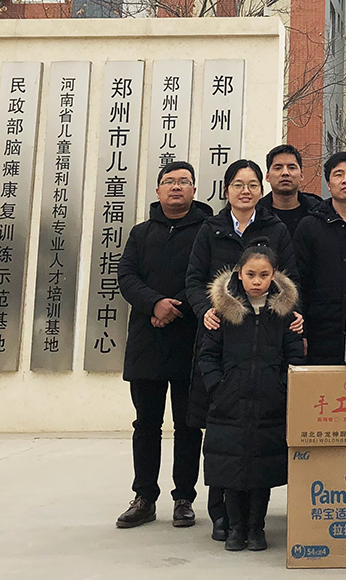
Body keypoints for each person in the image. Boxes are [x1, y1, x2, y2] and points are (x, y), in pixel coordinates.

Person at [185, 158, 302, 541]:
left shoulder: (275, 228)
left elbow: (291, 278)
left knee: (254, 444)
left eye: (252, 184)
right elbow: (193, 279)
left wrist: (293, 314)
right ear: (227, 190)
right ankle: (222, 517)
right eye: (238, 184)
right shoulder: (211, 228)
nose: (245, 191)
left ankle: (251, 523)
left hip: (266, 340)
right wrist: (207, 311)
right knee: (224, 439)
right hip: (223, 334)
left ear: (260, 189)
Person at [115, 161, 212, 530]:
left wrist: (174, 308)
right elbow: (126, 276)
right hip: (147, 340)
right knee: (146, 424)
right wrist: (154, 303)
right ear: (157, 191)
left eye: (184, 181)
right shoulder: (141, 233)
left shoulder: (207, 231)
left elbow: (208, 278)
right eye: (169, 181)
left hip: (190, 339)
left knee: (188, 425)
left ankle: (183, 498)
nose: (176, 187)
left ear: (194, 190)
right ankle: (144, 498)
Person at [198, 242, 304, 551]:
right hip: (229, 404)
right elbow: (208, 356)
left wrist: (281, 388)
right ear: (239, 274)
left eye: (264, 275)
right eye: (250, 274)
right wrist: (219, 387)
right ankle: (235, 527)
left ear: (274, 276)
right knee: (231, 470)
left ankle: (257, 527)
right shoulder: (223, 311)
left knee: (261, 470)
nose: (257, 281)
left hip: (268, 404)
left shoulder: (284, 314)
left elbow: (295, 356)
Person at [293, 151, 346, 364]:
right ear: (328, 183)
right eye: (338, 174)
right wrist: (301, 332)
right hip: (319, 333)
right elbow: (297, 280)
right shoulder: (309, 226)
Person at [261, 144, 323, 239]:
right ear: (267, 176)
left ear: (301, 175)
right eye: (278, 168)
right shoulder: (257, 214)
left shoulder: (319, 212)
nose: (285, 173)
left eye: (291, 167)